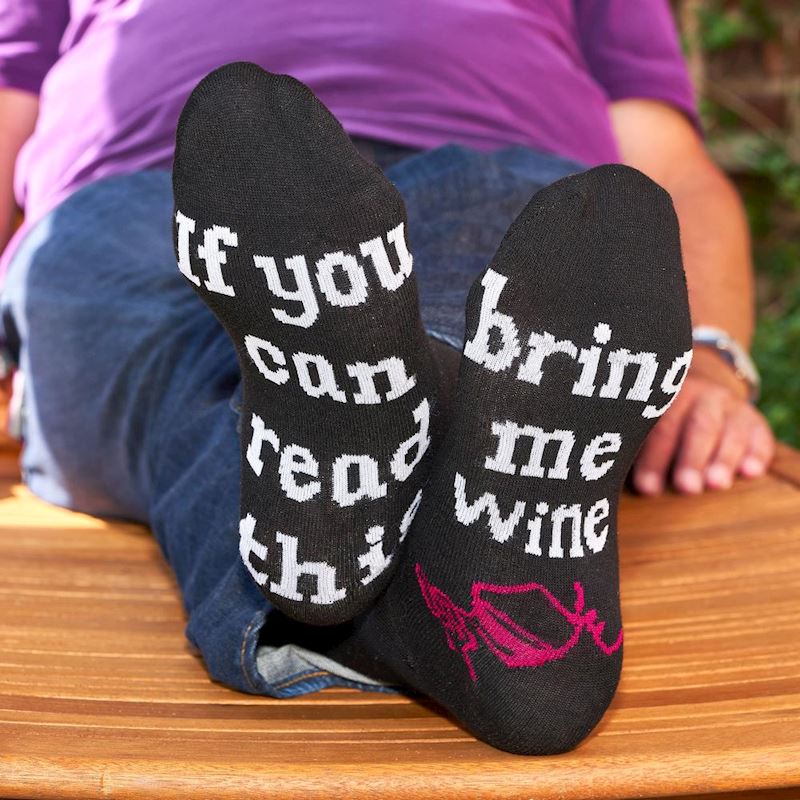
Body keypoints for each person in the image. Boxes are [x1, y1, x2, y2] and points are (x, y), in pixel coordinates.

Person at [0, 1, 775, 755]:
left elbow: (671, 162)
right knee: (184, 344)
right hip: (147, 192)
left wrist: (710, 362)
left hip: (495, 171)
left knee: (478, 328)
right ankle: (476, 589)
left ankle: (362, 463)